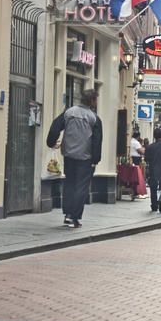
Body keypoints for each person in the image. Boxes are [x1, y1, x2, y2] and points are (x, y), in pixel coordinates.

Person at [47, 89, 103, 228]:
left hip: (69, 155)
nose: (97, 102)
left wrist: (51, 142)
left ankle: (67, 214)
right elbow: (97, 141)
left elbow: (55, 127)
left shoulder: (69, 112)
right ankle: (75, 216)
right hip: (85, 158)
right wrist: (95, 160)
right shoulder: (94, 118)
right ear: (92, 101)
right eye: (96, 99)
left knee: (69, 184)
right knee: (81, 187)